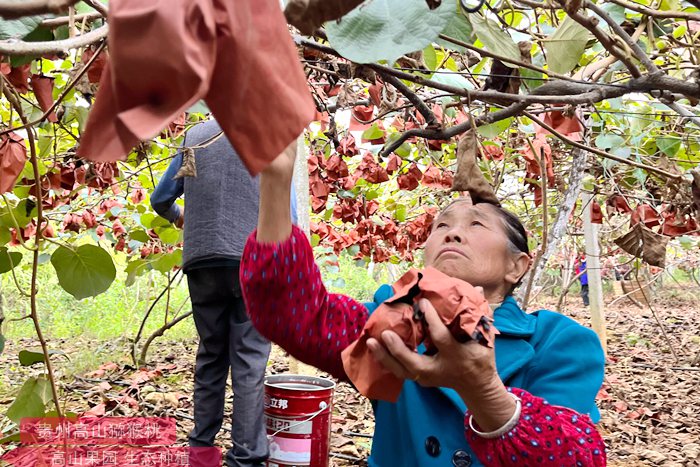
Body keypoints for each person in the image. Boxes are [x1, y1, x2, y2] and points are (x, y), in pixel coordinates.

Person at [239, 145, 606, 467]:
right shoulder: (392, 321)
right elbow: (293, 314)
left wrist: (482, 389)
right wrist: (275, 181)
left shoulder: (560, 343)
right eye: (441, 224)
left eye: (477, 224)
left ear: (517, 266)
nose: (452, 232)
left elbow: (575, 455)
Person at [150, 119, 298, 467]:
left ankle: (200, 450)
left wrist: (179, 216)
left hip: (202, 259)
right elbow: (287, 216)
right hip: (253, 259)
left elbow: (160, 199)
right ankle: (245, 457)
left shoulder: (196, 136)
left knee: (211, 355)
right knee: (249, 359)